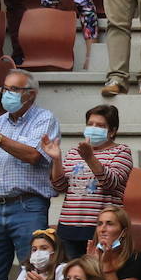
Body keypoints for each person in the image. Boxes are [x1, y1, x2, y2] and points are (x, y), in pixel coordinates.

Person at [45, 106, 130, 258]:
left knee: (98, 276)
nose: (93, 128)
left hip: (101, 229)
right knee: (73, 275)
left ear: (112, 131)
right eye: (90, 124)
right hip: (69, 227)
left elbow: (111, 183)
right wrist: (56, 159)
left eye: (100, 126)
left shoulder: (121, 151)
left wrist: (90, 158)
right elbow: (59, 186)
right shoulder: (73, 152)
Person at [0, 69, 57, 280]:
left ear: (31, 94)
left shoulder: (44, 119)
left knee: (33, 272)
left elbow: (33, 155)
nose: (7, 94)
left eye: (14, 89)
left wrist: (0, 139)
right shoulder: (0, 121)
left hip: (28, 207)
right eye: (5, 88)